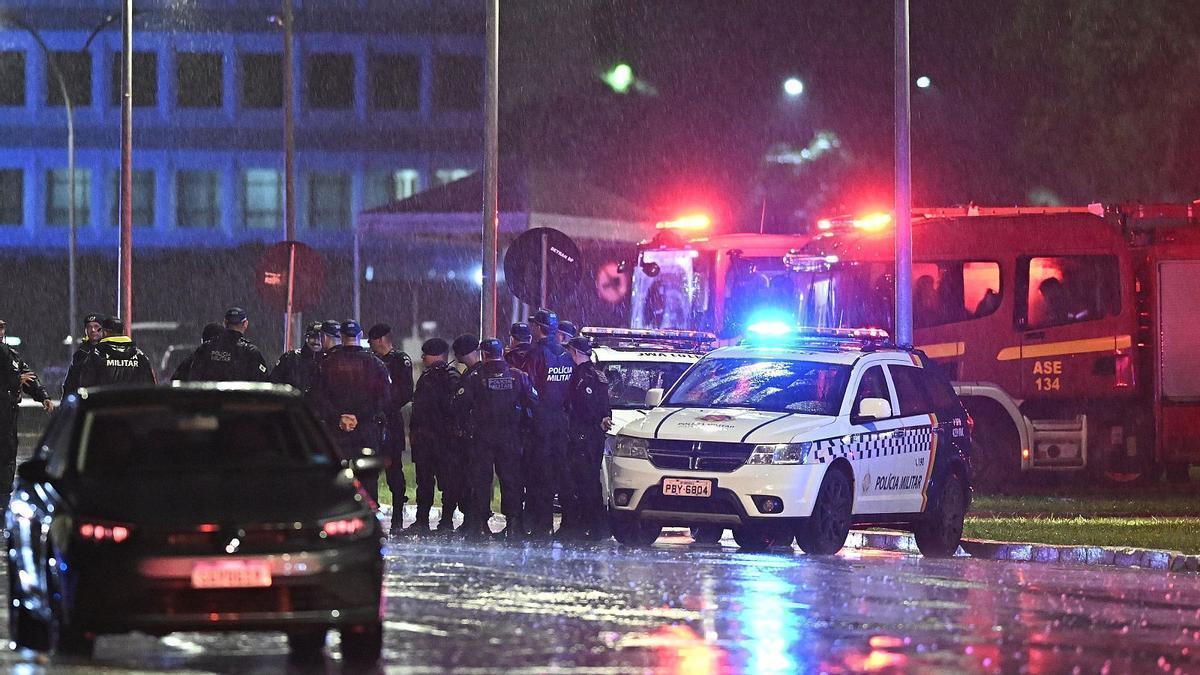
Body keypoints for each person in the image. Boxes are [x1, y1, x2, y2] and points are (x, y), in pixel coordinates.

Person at [454, 338, 538, 542]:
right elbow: (534, 403)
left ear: (483, 354)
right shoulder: (518, 377)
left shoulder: (475, 377)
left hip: (482, 437)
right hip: (510, 437)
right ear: (502, 353)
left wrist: (467, 427)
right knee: (511, 482)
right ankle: (514, 526)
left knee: (481, 481)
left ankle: (479, 526)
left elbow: (459, 406)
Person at [307, 320, 391, 503]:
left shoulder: (326, 364)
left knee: (338, 477)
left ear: (342, 337)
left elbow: (317, 398)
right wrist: (360, 417)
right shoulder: (376, 364)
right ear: (360, 336)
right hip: (367, 430)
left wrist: (339, 417)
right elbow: (383, 399)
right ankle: (368, 520)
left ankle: (341, 519)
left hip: (335, 431)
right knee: (367, 478)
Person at [522, 309, 575, 540]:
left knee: (539, 475)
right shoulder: (565, 355)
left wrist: (532, 411)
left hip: (540, 424)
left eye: (533, 325)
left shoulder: (536, 354)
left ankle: (542, 525)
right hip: (560, 422)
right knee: (560, 474)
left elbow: (528, 387)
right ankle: (569, 523)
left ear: (538, 328)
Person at [405, 338, 461, 536]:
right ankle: (423, 521)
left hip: (442, 442)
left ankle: (445, 522)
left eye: (425, 354)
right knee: (426, 483)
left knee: (447, 483)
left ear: (437, 355)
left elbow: (453, 410)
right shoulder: (429, 376)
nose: (422, 357)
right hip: (427, 441)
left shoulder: (450, 376)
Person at [562, 336, 612, 541]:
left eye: (569, 352)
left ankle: (587, 528)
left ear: (575, 353)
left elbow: (587, 408)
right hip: (592, 437)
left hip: (584, 436)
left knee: (583, 482)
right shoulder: (597, 374)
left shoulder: (584, 377)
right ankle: (594, 527)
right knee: (590, 482)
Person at [367, 322, 415, 531]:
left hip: (391, 421)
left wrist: (384, 406)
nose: (370, 345)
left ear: (380, 340)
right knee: (370, 471)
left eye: (372, 341)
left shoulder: (399, 360)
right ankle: (372, 519)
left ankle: (397, 519)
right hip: (371, 422)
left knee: (394, 470)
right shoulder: (369, 360)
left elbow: (405, 392)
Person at [450, 334, 484, 532]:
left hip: (472, 436)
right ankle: (473, 519)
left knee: (472, 479)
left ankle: (474, 520)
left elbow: (461, 404)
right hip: (472, 435)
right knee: (472, 479)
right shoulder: (473, 373)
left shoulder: (474, 375)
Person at [186, 307, 270, 382]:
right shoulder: (250, 352)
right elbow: (262, 383)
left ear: (225, 322)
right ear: (245, 324)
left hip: (209, 398)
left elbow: (193, 378)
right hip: (238, 399)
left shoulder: (206, 348)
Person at [76, 317, 156, 387]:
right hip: (133, 403)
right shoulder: (139, 355)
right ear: (122, 332)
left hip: (106, 403)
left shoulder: (96, 355)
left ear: (105, 332)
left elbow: (85, 388)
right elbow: (150, 387)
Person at [0, 337, 24, 514]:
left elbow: (28, 377)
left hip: (6, 420)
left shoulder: (11, 354)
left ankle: (3, 504)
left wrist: (43, 396)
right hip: (5, 417)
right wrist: (17, 380)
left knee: (7, 460)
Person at [61, 313, 106, 396]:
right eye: (89, 327)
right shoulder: (81, 353)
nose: (92, 330)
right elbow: (71, 382)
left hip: (105, 399)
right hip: (85, 399)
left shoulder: (109, 350)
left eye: (96, 326)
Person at [271, 321, 323, 392]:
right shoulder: (289, 358)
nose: (317, 341)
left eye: (320, 337)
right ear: (306, 338)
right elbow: (274, 383)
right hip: (292, 402)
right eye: (313, 337)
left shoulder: (327, 361)